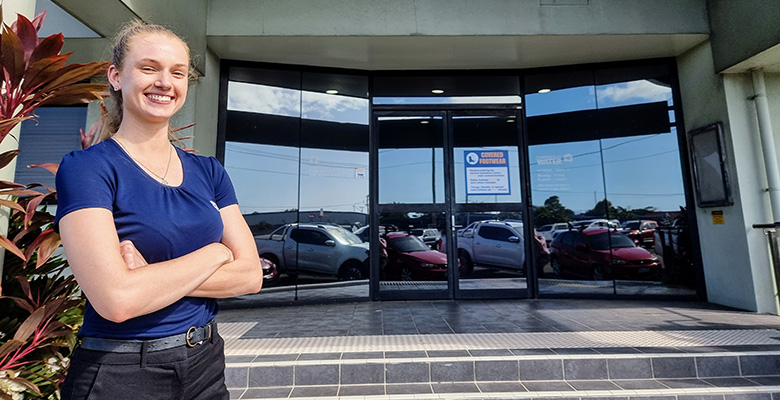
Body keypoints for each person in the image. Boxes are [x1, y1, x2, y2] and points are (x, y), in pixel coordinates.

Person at [55, 20, 263, 400]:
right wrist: (216, 253)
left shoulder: (209, 171)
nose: (165, 82)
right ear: (116, 77)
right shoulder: (88, 168)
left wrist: (149, 276)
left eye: (177, 72)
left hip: (205, 363)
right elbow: (117, 300)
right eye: (149, 68)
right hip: (122, 373)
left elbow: (249, 276)